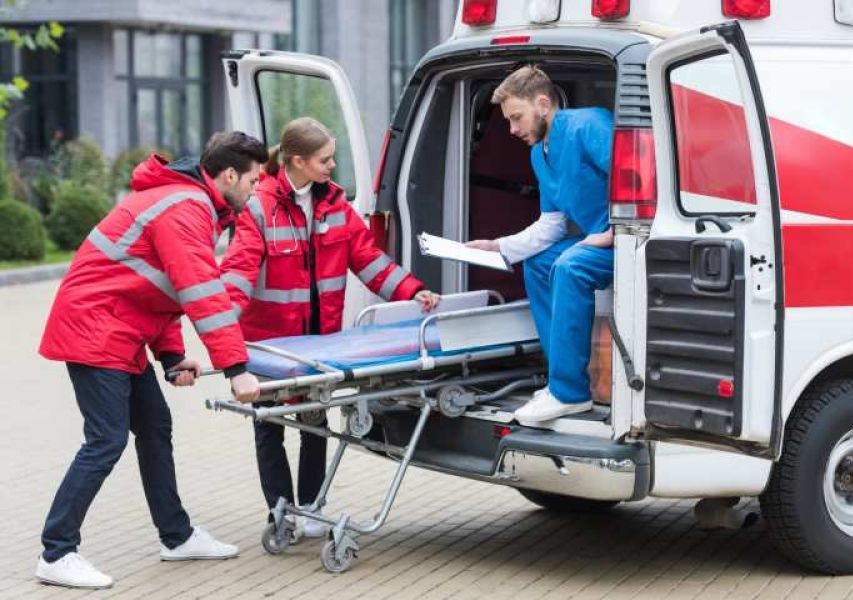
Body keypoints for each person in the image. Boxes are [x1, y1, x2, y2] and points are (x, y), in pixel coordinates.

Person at [35, 132, 268, 589]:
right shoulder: (185, 208)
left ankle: (176, 537)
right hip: (96, 329)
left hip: (121, 329)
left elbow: (161, 288)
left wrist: (172, 356)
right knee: (105, 440)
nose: (256, 189)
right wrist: (237, 369)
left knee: (155, 426)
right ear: (229, 174)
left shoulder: (191, 203)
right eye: (254, 180)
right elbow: (200, 291)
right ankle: (56, 552)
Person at [220, 117, 439, 539]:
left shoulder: (334, 206)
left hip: (318, 346)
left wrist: (413, 291)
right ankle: (280, 512)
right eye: (325, 159)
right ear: (297, 161)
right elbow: (238, 274)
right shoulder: (258, 207)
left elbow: (369, 260)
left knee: (315, 427)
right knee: (269, 429)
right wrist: (221, 331)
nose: (332, 166)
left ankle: (311, 509)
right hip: (273, 349)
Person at [467, 65, 614, 423]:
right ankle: (560, 379)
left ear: (543, 104)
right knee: (539, 262)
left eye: (517, 118)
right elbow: (551, 224)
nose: (513, 129)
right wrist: (497, 246)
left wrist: (615, 229)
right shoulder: (538, 154)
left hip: (632, 239)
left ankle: (570, 394)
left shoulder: (589, 125)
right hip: (599, 240)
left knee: (570, 265)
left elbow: (643, 177)